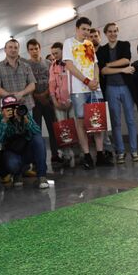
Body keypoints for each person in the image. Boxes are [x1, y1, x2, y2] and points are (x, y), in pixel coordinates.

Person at [62, 17, 108, 169]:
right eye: (84, 29)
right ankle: (87, 155)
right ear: (77, 28)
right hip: (79, 90)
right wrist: (87, 81)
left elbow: (95, 64)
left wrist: (95, 80)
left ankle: (100, 154)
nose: (87, 32)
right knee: (81, 123)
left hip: (94, 88)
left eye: (89, 30)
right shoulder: (68, 43)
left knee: (98, 121)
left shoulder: (89, 44)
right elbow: (69, 65)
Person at [97, 23, 138, 164]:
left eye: (115, 31)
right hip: (111, 88)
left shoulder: (124, 44)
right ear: (105, 33)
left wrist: (109, 64)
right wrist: (122, 70)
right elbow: (102, 71)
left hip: (126, 87)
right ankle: (120, 152)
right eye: (110, 31)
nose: (113, 34)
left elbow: (126, 60)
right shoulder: (102, 50)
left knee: (130, 120)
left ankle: (134, 151)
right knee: (115, 122)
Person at [0, 95, 49, 189]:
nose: (13, 111)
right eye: (9, 108)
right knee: (12, 164)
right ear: (3, 110)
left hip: (26, 149)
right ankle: (17, 174)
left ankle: (42, 176)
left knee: (38, 139)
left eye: (15, 107)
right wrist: (4, 121)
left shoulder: (23, 114)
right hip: (11, 152)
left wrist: (25, 120)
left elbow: (37, 132)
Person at [25, 38, 62, 165]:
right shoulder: (26, 65)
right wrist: (36, 95)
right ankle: (38, 157)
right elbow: (27, 84)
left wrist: (46, 94)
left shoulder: (48, 63)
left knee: (53, 128)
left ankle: (55, 154)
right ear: (28, 51)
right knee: (37, 130)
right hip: (34, 102)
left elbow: (53, 81)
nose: (34, 51)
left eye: (36, 48)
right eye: (31, 49)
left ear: (40, 49)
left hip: (48, 100)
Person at [89, 28, 115, 160]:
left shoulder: (105, 51)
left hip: (107, 89)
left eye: (95, 36)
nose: (93, 38)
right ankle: (101, 149)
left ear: (99, 37)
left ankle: (108, 148)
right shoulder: (87, 52)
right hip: (94, 92)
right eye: (91, 36)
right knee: (97, 122)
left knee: (107, 123)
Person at [49, 42, 73, 166]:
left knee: (74, 127)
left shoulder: (70, 63)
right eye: (52, 54)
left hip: (72, 101)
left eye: (56, 53)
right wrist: (54, 102)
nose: (54, 56)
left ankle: (79, 154)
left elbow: (74, 82)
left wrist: (70, 100)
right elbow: (51, 85)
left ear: (63, 51)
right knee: (63, 128)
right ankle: (66, 155)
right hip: (58, 102)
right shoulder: (53, 66)